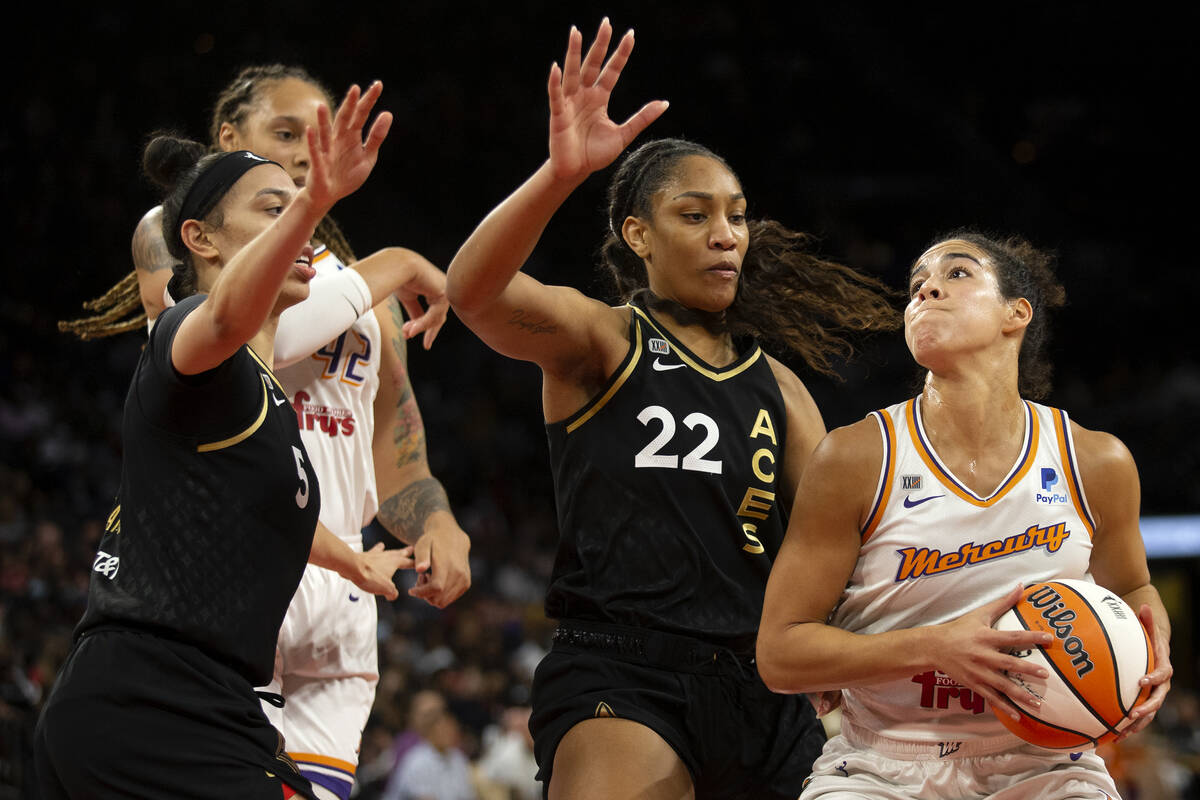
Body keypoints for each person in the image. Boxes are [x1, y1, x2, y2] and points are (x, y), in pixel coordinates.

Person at [445, 19, 899, 799]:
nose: (726, 235)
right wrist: (559, 176)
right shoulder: (604, 339)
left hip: (764, 690)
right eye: (696, 215)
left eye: (736, 214)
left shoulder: (781, 390)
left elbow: (847, 549)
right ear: (639, 235)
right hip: (623, 669)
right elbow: (474, 293)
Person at [61, 64, 473, 800]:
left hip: (345, 587)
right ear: (228, 140)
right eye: (288, 135)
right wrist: (397, 261)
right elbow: (228, 326)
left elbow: (396, 447)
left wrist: (438, 521)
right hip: (238, 579)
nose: (307, 156)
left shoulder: (356, 291)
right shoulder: (172, 235)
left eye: (318, 147)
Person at [757, 232, 1174, 799]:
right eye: (915, 286)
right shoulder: (856, 456)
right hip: (884, 763)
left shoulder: (1096, 460)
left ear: (1016, 313)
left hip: (1045, 762)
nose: (926, 288)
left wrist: (1153, 649)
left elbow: (1134, 588)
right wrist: (937, 645)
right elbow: (780, 654)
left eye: (956, 274)